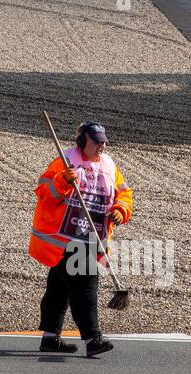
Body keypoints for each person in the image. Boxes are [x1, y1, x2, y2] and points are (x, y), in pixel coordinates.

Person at [29, 122, 132, 358]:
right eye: (96, 141)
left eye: (104, 141)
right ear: (83, 142)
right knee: (85, 286)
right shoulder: (64, 162)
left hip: (91, 237)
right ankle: (92, 338)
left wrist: (120, 209)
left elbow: (124, 192)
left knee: (59, 287)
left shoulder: (109, 165)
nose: (102, 145)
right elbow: (44, 193)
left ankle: (50, 338)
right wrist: (62, 182)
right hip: (63, 238)